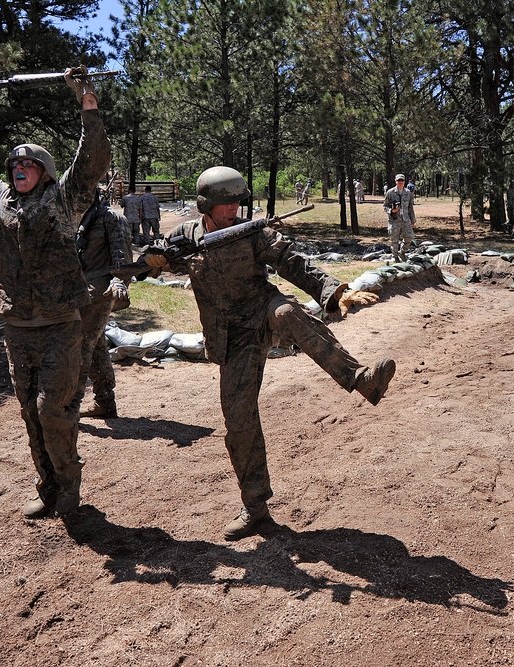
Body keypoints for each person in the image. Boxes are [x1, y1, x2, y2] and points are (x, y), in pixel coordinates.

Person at [143, 166, 395, 540]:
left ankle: (361, 380)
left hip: (262, 311)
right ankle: (255, 508)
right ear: (206, 206)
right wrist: (154, 261)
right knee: (239, 421)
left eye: (238, 202)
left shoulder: (251, 232)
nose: (234, 209)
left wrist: (331, 290)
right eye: (227, 203)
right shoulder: (186, 236)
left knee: (287, 312)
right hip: (231, 338)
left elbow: (291, 260)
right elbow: (155, 261)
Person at [0, 67, 111, 519]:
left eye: (28, 164)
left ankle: (70, 485)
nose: (18, 169)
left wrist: (87, 106)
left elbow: (92, 161)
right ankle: (47, 486)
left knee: (52, 409)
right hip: (17, 325)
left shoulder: (64, 197)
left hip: (59, 324)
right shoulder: (0, 199)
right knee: (30, 415)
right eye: (14, 164)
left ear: (46, 173)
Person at [76, 190, 133, 419]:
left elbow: (122, 256)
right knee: (96, 346)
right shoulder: (74, 216)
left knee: (80, 347)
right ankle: (105, 402)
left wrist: (119, 281)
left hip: (100, 292)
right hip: (79, 292)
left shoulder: (111, 217)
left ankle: (68, 405)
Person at [383, 173, 416, 262]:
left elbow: (410, 207)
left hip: (405, 219)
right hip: (394, 220)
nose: (400, 182)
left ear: (404, 181)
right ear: (395, 181)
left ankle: (402, 252)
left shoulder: (408, 193)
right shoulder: (390, 192)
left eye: (402, 180)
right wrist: (391, 211)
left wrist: (413, 219)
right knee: (394, 239)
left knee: (409, 236)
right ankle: (395, 256)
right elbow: (385, 206)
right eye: (398, 180)